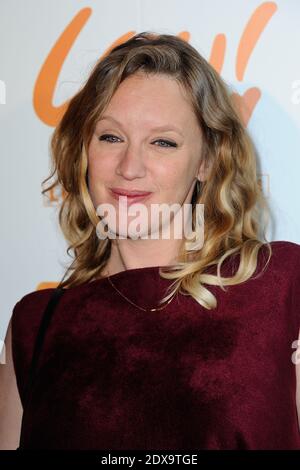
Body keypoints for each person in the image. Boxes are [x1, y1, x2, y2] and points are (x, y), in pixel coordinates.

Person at [1, 31, 300, 450]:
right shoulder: (36, 325)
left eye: (162, 142)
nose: (129, 166)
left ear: (207, 161)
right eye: (110, 137)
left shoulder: (283, 286)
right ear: (82, 150)